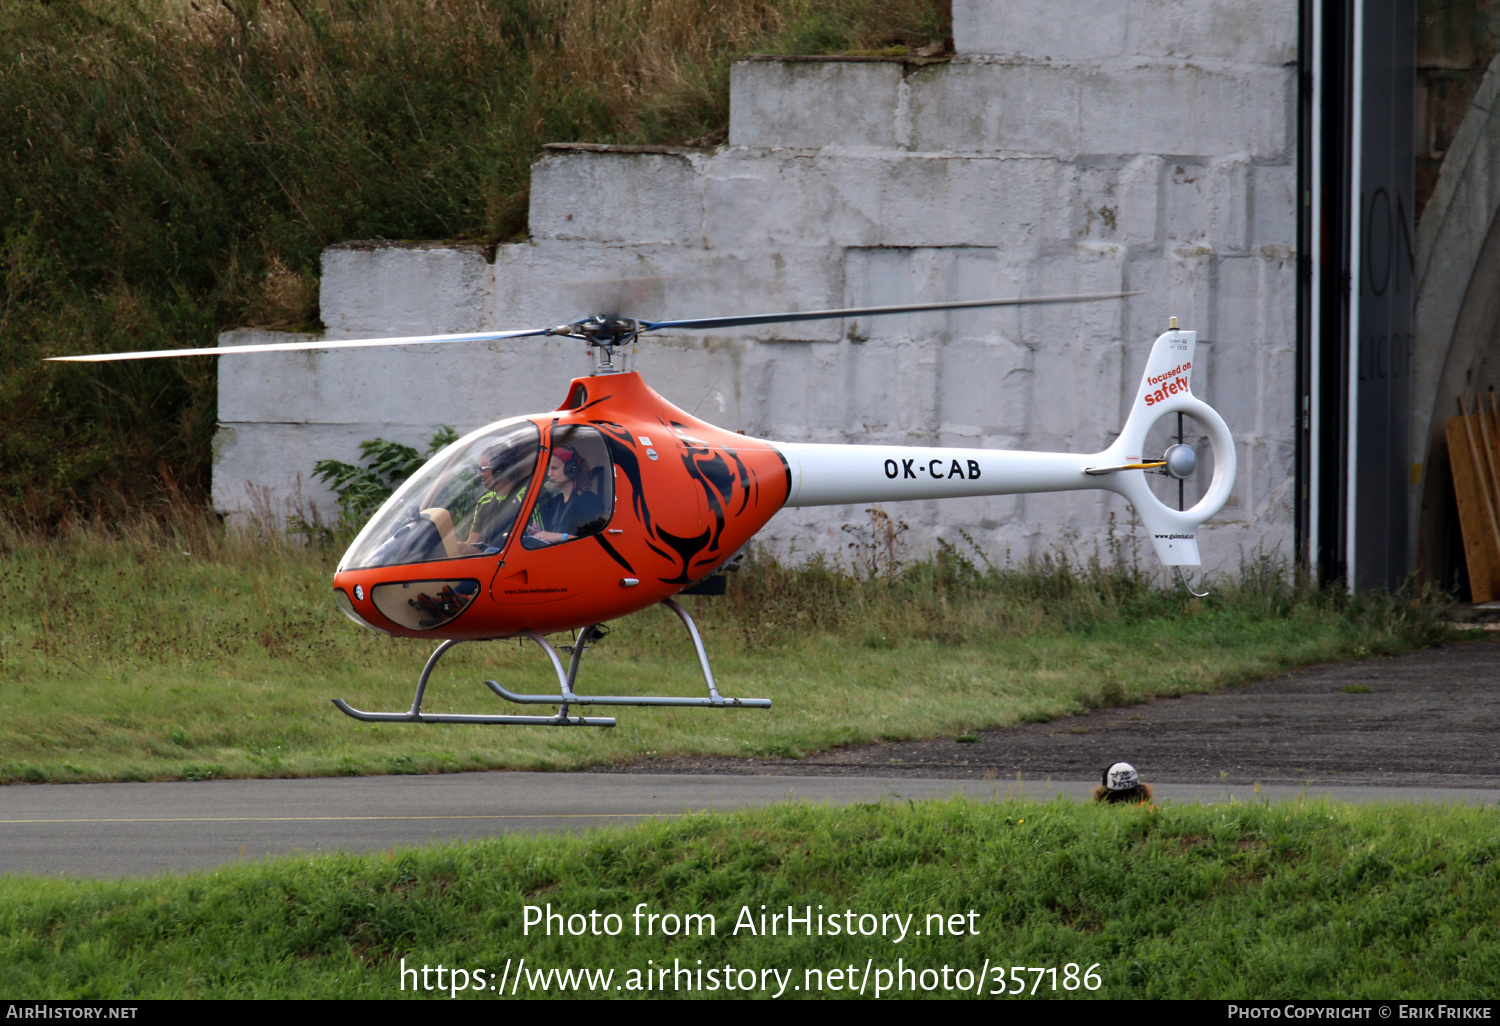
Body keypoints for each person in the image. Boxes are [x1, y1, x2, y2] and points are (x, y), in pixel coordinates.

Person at [525, 444, 605, 546]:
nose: (549, 474)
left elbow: (594, 544)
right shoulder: (557, 501)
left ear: (571, 470)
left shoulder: (589, 502)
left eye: (554, 468)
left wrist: (561, 537)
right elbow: (554, 535)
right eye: (549, 469)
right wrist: (540, 534)